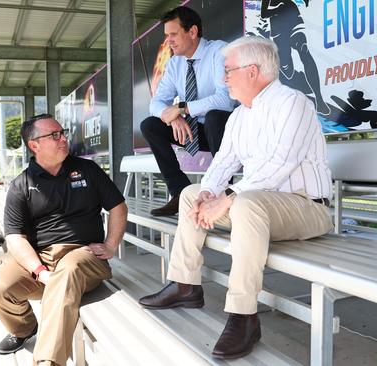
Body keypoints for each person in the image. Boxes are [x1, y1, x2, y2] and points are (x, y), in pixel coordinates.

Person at [139, 36, 334, 359]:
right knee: (188, 194)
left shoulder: (293, 102)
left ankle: (244, 316)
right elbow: (224, 162)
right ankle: (185, 285)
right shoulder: (242, 114)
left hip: (305, 207)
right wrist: (207, 193)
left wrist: (227, 198)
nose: (223, 77)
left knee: (247, 203)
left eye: (228, 70)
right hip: (257, 206)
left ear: (253, 71)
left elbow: (279, 164)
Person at [0, 114, 127, 366]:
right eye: (54, 135)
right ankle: (24, 329)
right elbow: (16, 237)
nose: (63, 138)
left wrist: (110, 244)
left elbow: (118, 206)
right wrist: (39, 271)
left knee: (67, 272)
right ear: (34, 145)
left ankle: (48, 361)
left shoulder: (87, 170)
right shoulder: (21, 184)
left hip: (84, 254)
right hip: (41, 257)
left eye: (62, 133)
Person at [140, 6, 236, 216]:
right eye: (167, 36)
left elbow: (226, 100)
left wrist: (182, 108)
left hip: (226, 133)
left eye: (173, 34)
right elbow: (156, 104)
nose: (169, 41)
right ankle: (180, 193)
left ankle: (221, 194)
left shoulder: (219, 52)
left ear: (192, 32)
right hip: (193, 132)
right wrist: (174, 118)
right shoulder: (175, 63)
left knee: (214, 117)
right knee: (150, 125)